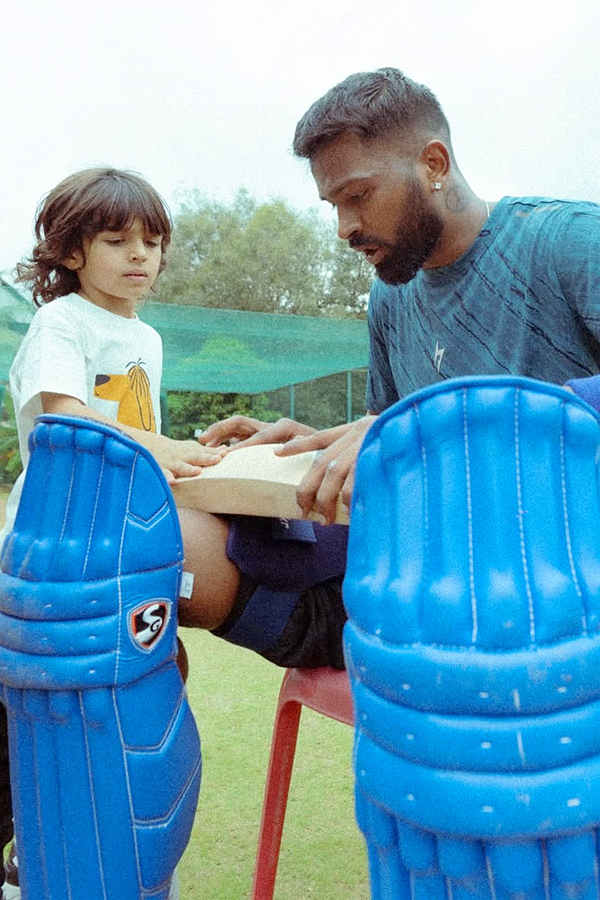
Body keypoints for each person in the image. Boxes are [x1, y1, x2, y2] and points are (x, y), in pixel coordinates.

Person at [180, 67, 600, 665]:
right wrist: (317, 449)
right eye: (333, 205)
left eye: (357, 196)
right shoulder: (391, 298)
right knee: (155, 543)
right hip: (422, 578)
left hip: (562, 589)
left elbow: (419, 430)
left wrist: (435, 426)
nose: (344, 227)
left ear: (434, 164)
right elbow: (391, 430)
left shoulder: (567, 242)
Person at [0, 166, 224, 899]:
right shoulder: (60, 323)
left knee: (144, 681)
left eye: (153, 242)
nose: (141, 256)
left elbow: (142, 439)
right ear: (70, 252)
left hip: (126, 547)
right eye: (117, 240)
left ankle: (101, 856)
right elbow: (65, 413)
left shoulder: (145, 336)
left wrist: (183, 463)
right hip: (62, 548)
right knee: (35, 709)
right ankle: (31, 854)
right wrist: (162, 449)